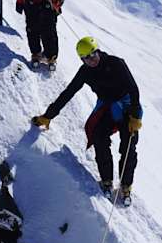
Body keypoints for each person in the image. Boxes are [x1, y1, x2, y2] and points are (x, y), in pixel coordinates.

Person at [30, 36, 143, 204]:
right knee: (98, 136)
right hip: (107, 108)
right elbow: (69, 92)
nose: (91, 60)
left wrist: (135, 116)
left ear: (98, 51)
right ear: (82, 60)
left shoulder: (116, 64)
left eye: (93, 54)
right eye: (86, 58)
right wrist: (48, 115)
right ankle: (106, 180)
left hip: (128, 107)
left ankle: (126, 186)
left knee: (128, 146)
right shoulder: (85, 72)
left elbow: (133, 89)